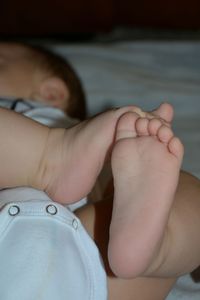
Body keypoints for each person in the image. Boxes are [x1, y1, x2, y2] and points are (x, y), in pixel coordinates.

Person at [0, 42, 200, 300]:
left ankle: (160, 246)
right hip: (83, 271)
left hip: (83, 267)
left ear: (51, 93)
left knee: (165, 193)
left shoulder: (56, 121)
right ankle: (51, 157)